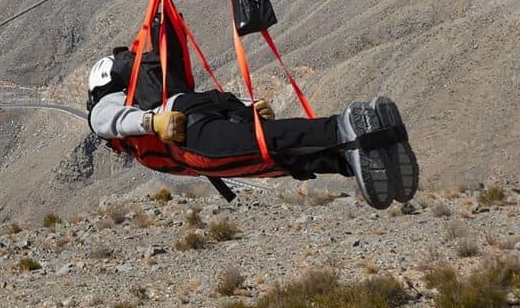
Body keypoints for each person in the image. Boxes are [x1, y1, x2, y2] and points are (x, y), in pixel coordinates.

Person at [85, 47, 417, 209]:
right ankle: (364, 152)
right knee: (276, 159)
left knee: (265, 147)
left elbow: (104, 121)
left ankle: (343, 130)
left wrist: (151, 122)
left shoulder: (110, 101)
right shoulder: (148, 89)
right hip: (207, 104)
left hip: (188, 133)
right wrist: (245, 106)